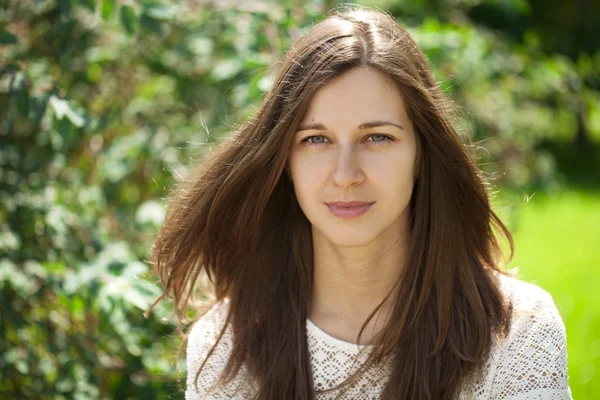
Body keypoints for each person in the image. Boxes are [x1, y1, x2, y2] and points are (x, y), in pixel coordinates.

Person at [146, 6, 572, 400]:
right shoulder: (227, 344)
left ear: (421, 153)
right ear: (285, 161)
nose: (346, 174)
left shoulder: (518, 333)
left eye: (377, 138)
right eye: (316, 140)